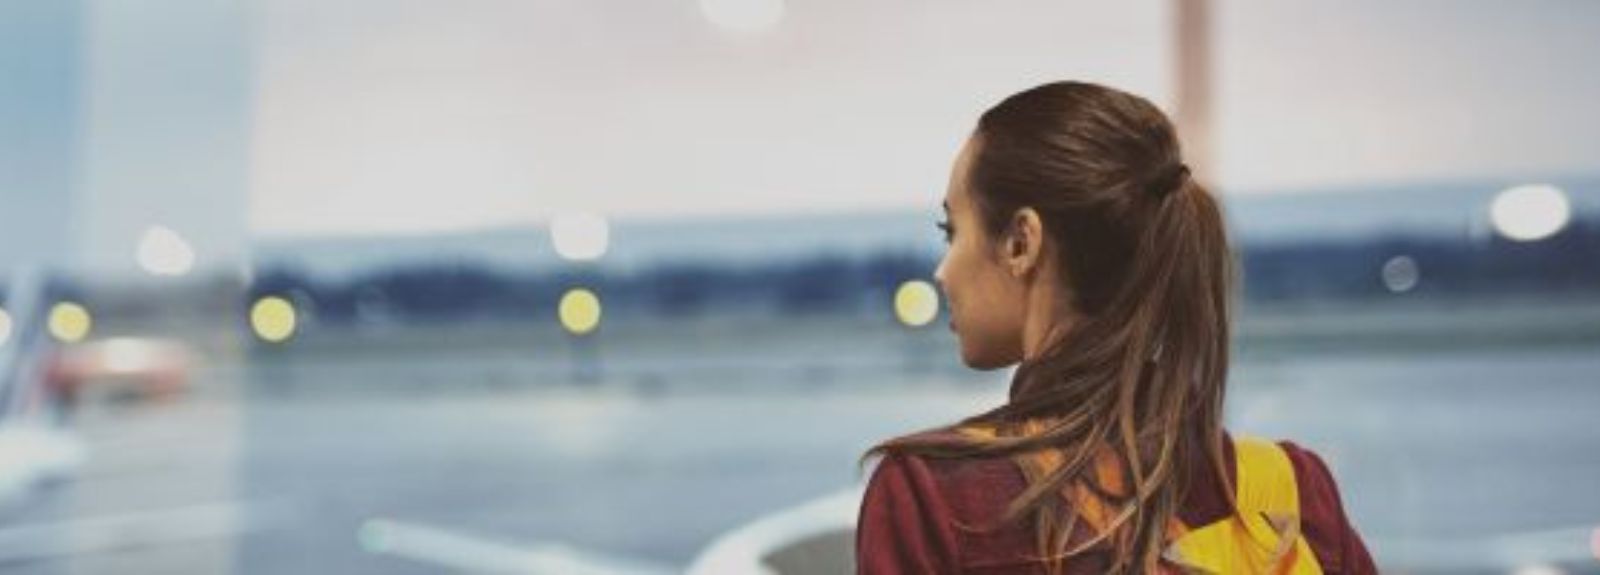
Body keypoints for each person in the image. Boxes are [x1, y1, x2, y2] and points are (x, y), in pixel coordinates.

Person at [856, 81, 1376, 574]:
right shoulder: (1290, 493)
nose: (942, 271)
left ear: (1021, 242)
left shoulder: (937, 498)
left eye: (952, 231)